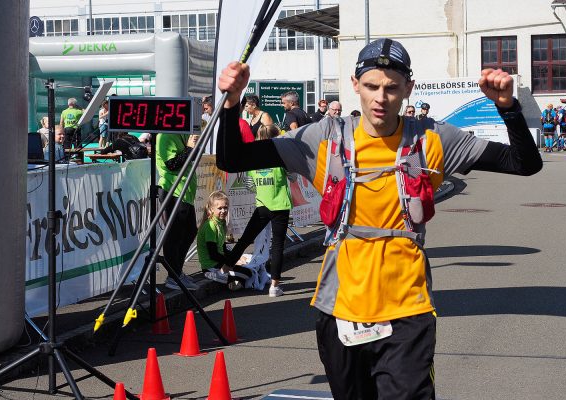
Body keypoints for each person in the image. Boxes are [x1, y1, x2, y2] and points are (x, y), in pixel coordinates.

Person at [216, 37, 542, 399]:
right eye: (371, 86)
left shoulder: (432, 138)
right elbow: (233, 159)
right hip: (340, 307)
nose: (380, 98)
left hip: (408, 310)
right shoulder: (323, 138)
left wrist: (508, 108)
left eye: (391, 88)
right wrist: (230, 104)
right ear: (355, 85)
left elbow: (523, 163)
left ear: (408, 89)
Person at [226, 124, 292, 297]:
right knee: (277, 245)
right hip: (280, 204)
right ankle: (274, 286)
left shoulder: (253, 158)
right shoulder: (281, 157)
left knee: (246, 238)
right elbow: (292, 176)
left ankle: (225, 268)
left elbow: (249, 185)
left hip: (262, 204)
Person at [156, 133, 200, 291]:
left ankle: (177, 271)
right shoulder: (165, 136)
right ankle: (173, 276)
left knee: (189, 232)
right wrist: (189, 148)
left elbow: (194, 157)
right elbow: (172, 164)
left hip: (186, 191)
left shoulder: (184, 133)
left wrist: (194, 146)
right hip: (172, 190)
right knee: (174, 234)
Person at [197, 190, 252, 291]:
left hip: (219, 263)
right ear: (211, 209)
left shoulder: (221, 223)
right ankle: (217, 276)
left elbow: (222, 248)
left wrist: (235, 259)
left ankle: (232, 280)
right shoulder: (210, 226)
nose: (223, 211)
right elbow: (213, 254)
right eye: (220, 208)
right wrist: (232, 262)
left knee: (248, 268)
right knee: (248, 273)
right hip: (211, 266)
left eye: (225, 207)